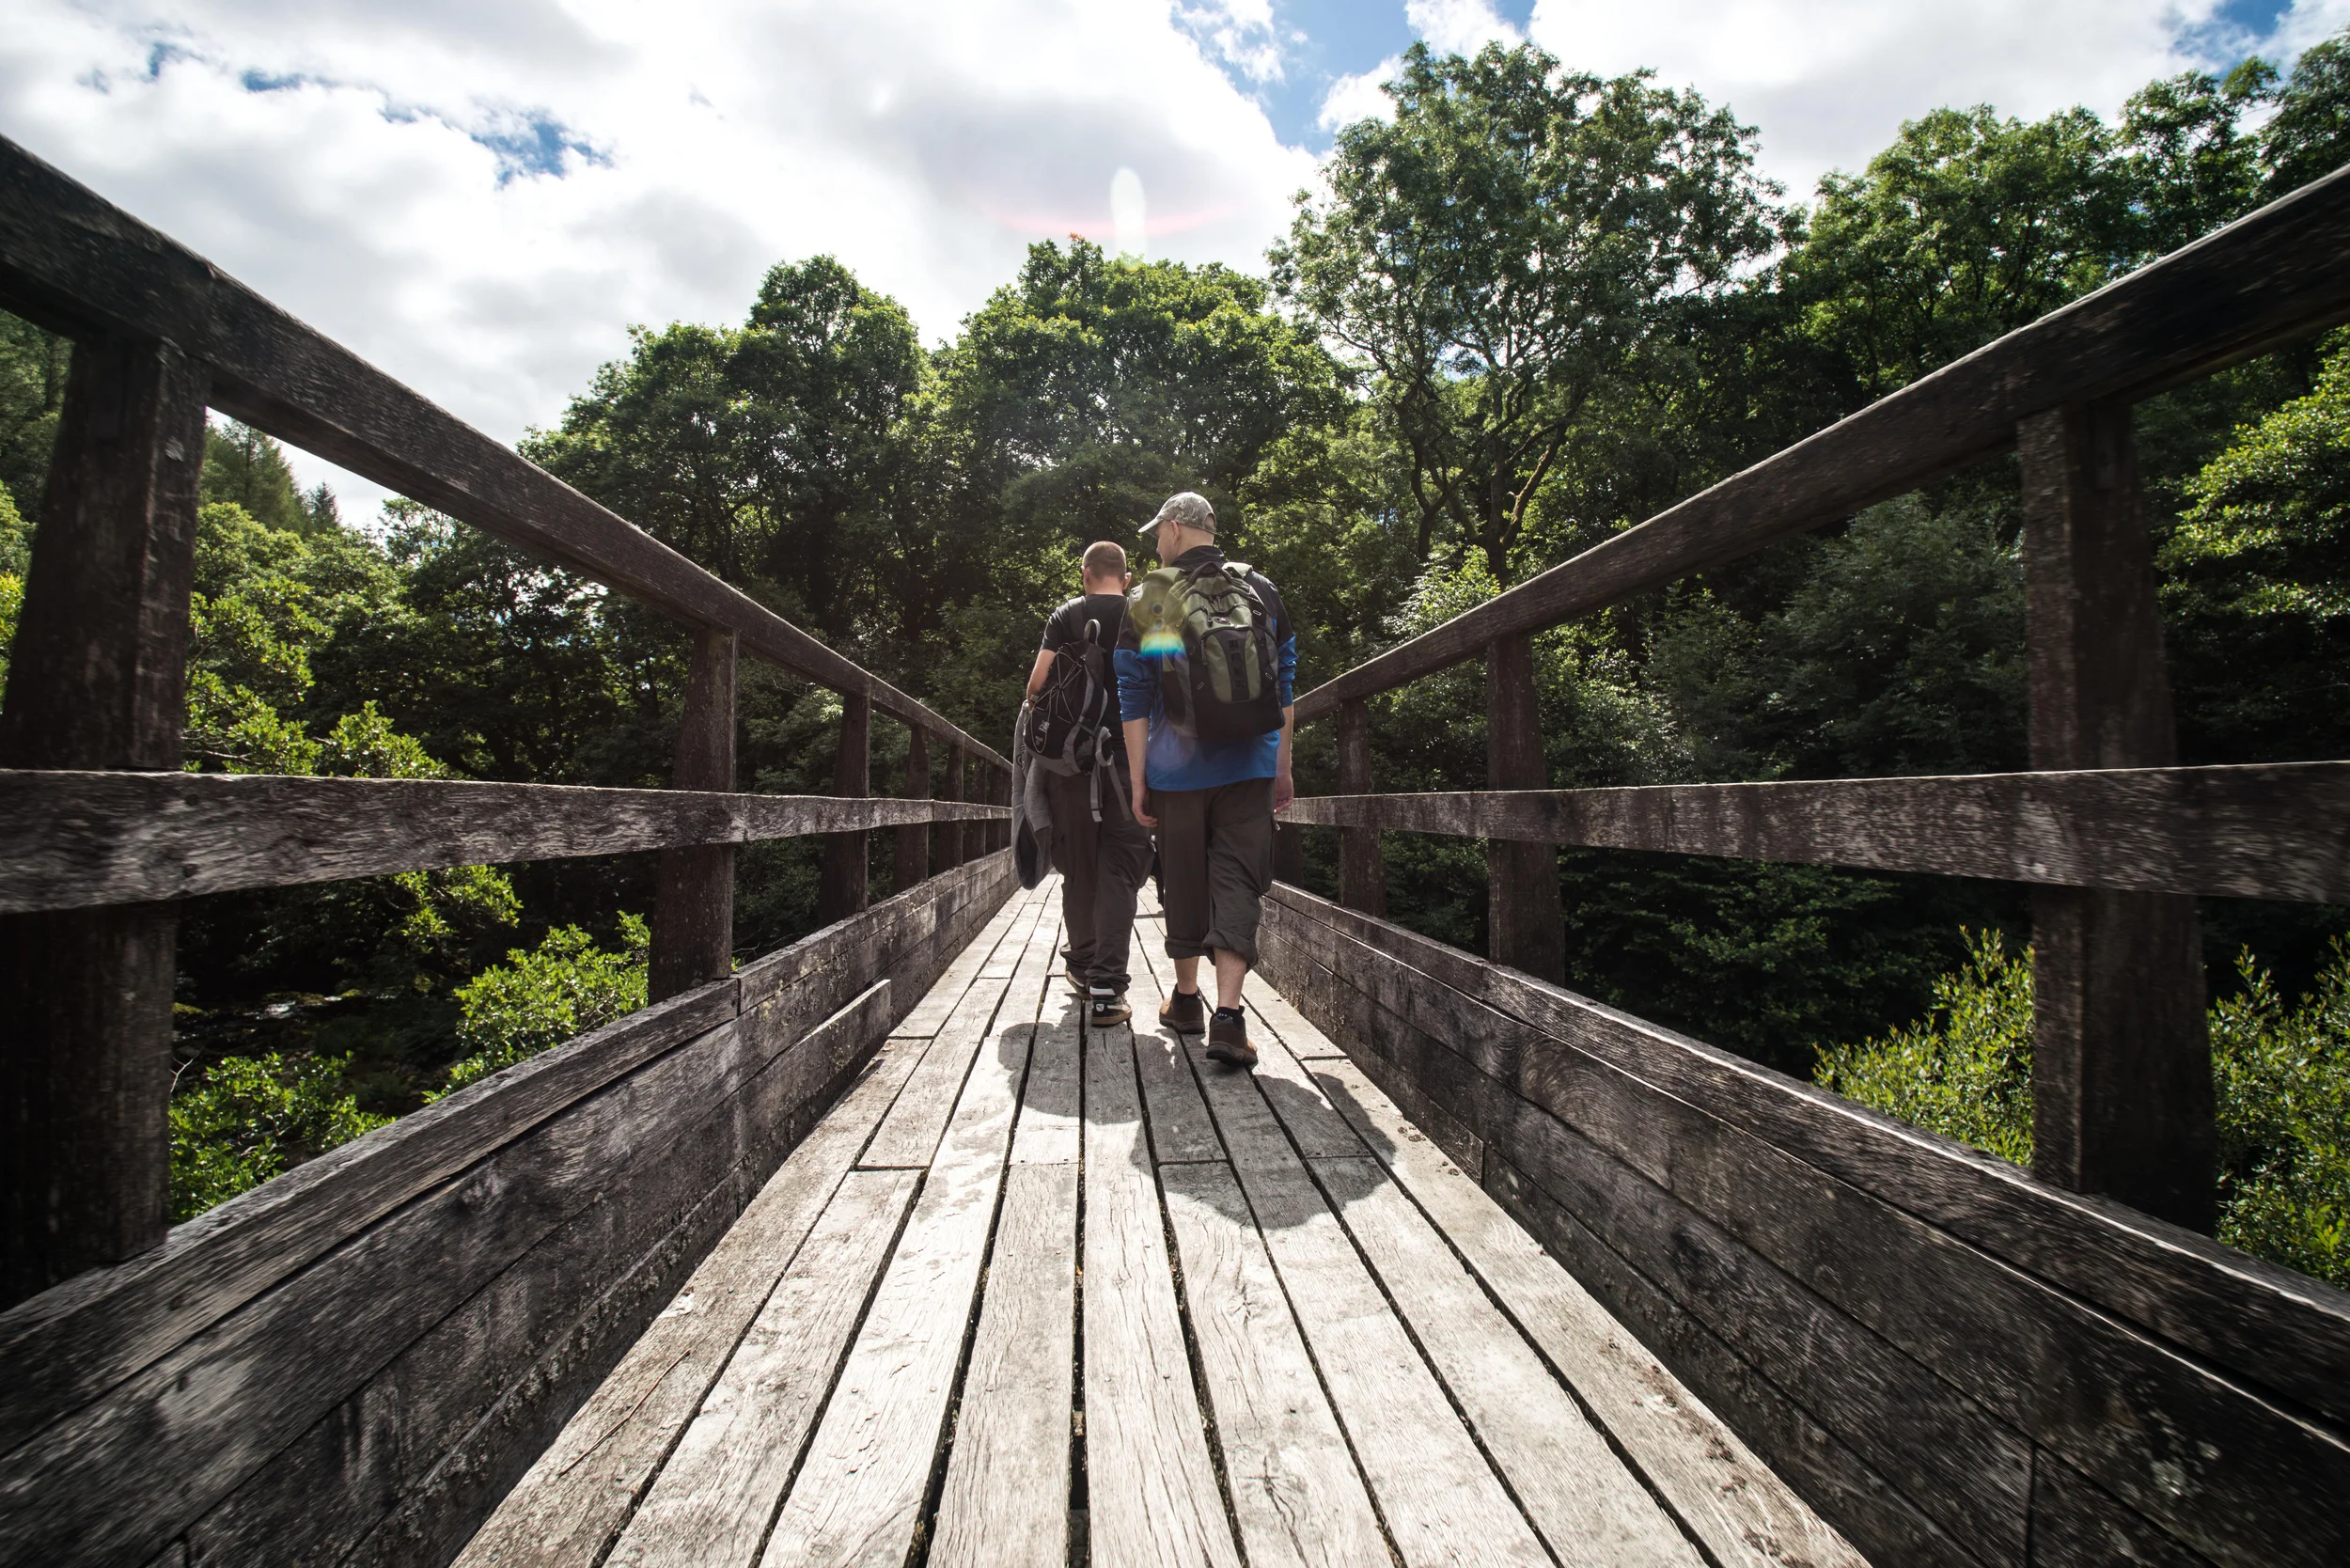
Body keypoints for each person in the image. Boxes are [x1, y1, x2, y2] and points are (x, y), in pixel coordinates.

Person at [1117, 492, 1295, 1068]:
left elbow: (1136, 696)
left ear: (1174, 529)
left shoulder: (1153, 596)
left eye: (1157, 533)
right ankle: (1229, 1016)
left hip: (1176, 770)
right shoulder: (1261, 589)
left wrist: (1139, 780)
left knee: (1183, 877)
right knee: (1239, 880)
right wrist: (1282, 768)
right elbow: (1285, 685)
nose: (1155, 543)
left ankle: (1186, 1000)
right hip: (1249, 765)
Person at [1026, 540, 1153, 1027]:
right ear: (1125, 577)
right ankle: (1107, 989)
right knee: (1120, 869)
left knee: (1078, 865)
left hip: (1071, 767)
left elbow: (1037, 687)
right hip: (1130, 763)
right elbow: (1165, 684)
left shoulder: (1065, 616)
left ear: (1085, 573)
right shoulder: (1145, 611)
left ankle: (1081, 966)